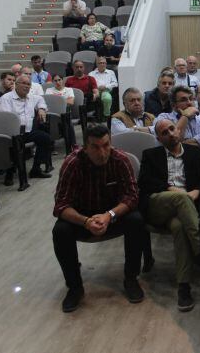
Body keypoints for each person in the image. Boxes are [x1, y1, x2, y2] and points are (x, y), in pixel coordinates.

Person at [52, 124, 146, 312]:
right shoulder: (72, 163)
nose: (102, 152)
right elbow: (61, 205)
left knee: (136, 220)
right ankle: (75, 287)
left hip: (112, 216)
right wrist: (86, 221)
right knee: (60, 231)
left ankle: (131, 278)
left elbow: (132, 196)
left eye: (106, 145)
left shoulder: (120, 160)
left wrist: (109, 215)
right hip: (83, 219)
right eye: (95, 147)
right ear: (85, 147)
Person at [138, 118, 200, 311]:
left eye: (172, 128)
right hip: (158, 204)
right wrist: (171, 188)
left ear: (178, 130)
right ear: (159, 138)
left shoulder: (195, 153)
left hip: (186, 208)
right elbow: (144, 182)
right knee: (181, 199)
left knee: (179, 226)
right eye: (164, 132)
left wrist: (197, 191)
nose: (170, 133)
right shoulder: (150, 155)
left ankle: (183, 286)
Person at [0, 75, 53, 184]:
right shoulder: (6, 98)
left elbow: (41, 100)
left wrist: (41, 109)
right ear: (16, 85)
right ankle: (10, 172)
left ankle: (35, 169)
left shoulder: (31, 97)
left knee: (45, 138)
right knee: (14, 146)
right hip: (12, 134)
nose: (27, 86)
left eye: (29, 84)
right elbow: (5, 120)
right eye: (24, 83)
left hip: (28, 131)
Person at [155, 86, 200, 156]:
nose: (189, 103)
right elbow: (171, 141)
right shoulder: (164, 118)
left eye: (191, 99)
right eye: (183, 100)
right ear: (173, 105)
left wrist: (179, 144)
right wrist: (185, 116)